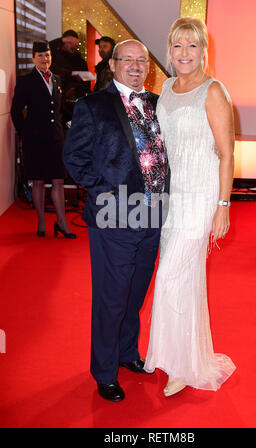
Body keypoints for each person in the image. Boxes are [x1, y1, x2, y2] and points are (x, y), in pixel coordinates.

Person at [63, 39, 170, 401]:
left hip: (155, 211)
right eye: (128, 60)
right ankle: (104, 370)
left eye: (143, 60)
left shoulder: (159, 104)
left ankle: (127, 354)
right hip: (114, 214)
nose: (137, 66)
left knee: (136, 293)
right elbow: (74, 157)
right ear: (113, 64)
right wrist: (103, 191)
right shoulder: (92, 105)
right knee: (111, 297)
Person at [144, 17, 236, 396]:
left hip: (200, 196)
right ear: (170, 50)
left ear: (203, 51)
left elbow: (228, 155)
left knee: (169, 276)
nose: (185, 53)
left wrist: (223, 205)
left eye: (192, 46)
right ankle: (178, 356)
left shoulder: (213, 91)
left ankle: (182, 366)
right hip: (171, 197)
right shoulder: (165, 87)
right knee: (182, 279)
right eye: (178, 46)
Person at [10, 40, 76, 239]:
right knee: (38, 182)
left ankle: (62, 222)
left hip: (56, 137)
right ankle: (41, 221)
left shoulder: (56, 79)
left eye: (47, 55)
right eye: (40, 56)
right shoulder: (26, 81)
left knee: (58, 180)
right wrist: (25, 133)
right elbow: (15, 111)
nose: (44, 59)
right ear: (33, 58)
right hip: (35, 140)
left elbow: (58, 109)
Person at [49, 30, 90, 125]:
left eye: (75, 43)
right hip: (57, 105)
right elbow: (45, 48)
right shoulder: (53, 57)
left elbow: (86, 85)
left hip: (76, 106)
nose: (73, 46)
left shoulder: (81, 62)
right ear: (63, 42)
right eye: (70, 42)